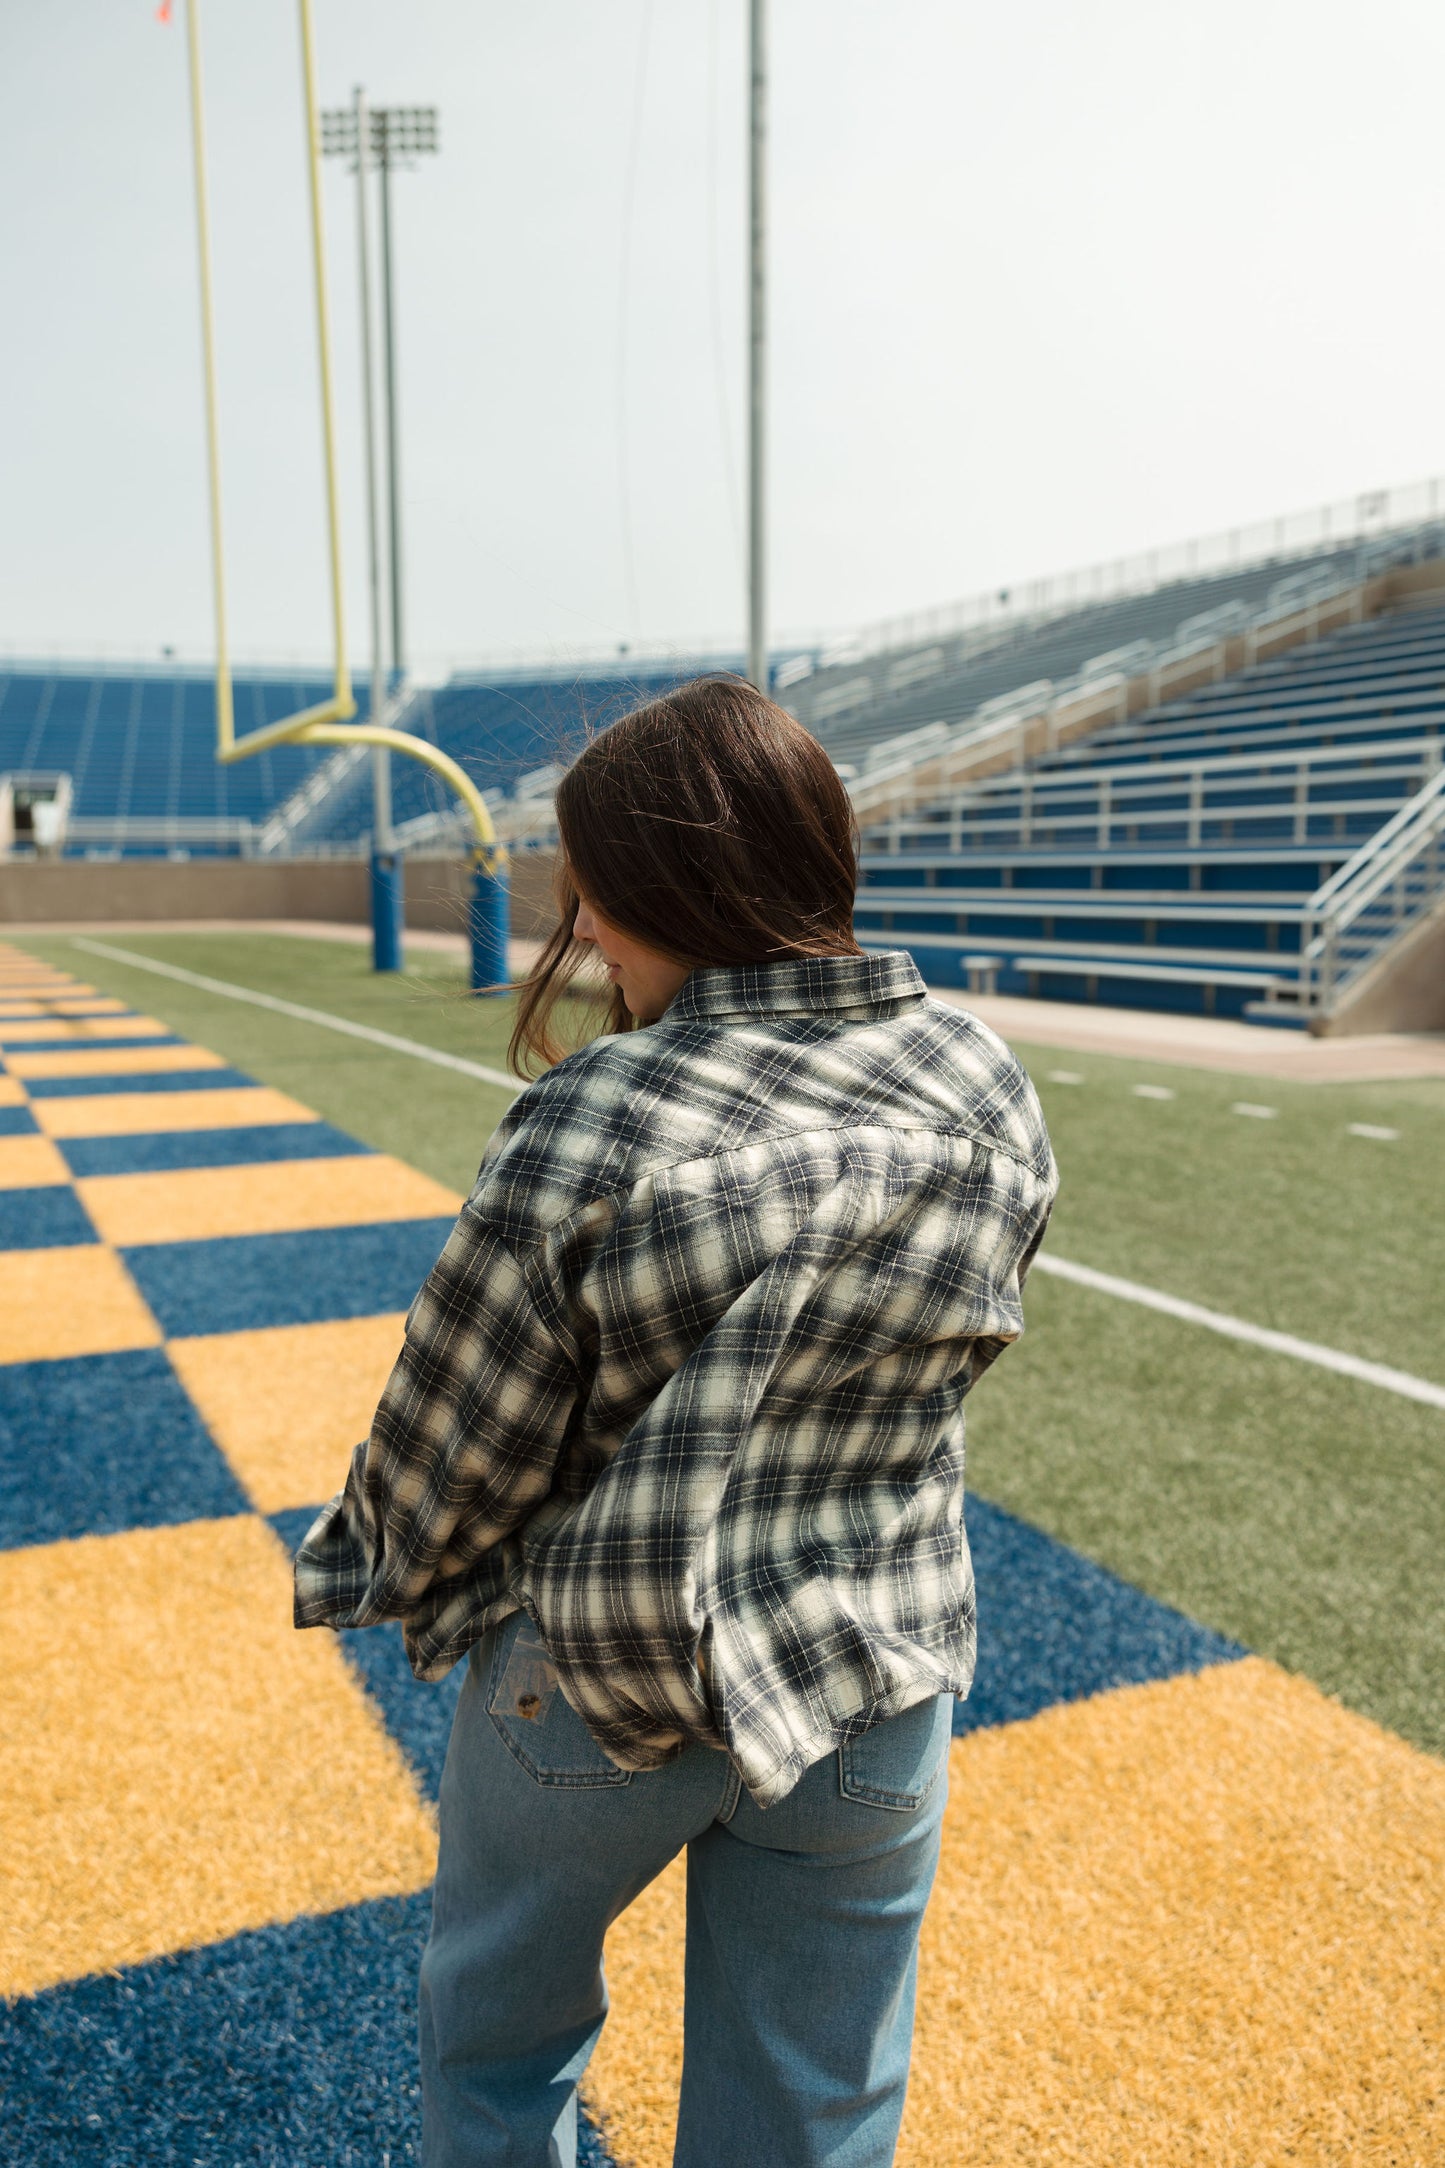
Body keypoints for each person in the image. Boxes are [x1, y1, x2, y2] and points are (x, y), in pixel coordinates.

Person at [294, 677, 1057, 2168]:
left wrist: (379, 1565)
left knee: (501, 2051)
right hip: (873, 1660)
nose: (582, 937)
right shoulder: (980, 1071)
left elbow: (455, 1439)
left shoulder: (596, 1112)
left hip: (599, 1670)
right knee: (813, 2098)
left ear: (645, 893)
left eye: (587, 901)